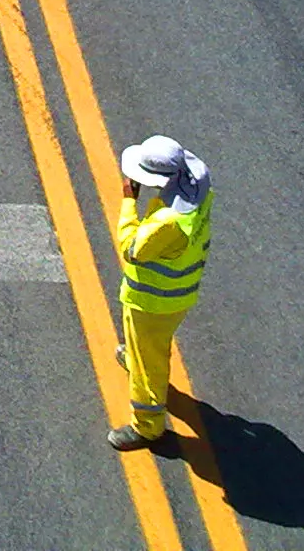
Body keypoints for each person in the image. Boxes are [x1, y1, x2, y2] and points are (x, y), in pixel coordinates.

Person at [109, 135, 213, 450]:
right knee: (149, 344)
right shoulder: (195, 189)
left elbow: (132, 248)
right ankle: (135, 356)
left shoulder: (167, 222)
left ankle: (147, 426)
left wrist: (129, 200)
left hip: (153, 301)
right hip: (178, 293)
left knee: (148, 361)